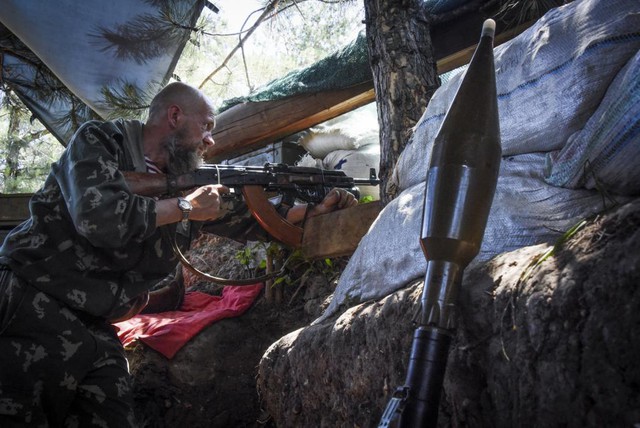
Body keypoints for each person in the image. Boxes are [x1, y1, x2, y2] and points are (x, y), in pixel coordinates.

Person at [0, 81, 356, 427]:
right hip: (35, 302)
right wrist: (185, 207)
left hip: (98, 325)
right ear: (174, 116)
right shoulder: (102, 142)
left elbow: (255, 221)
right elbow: (99, 218)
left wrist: (312, 212)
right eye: (206, 126)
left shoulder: (186, 179)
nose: (211, 139)